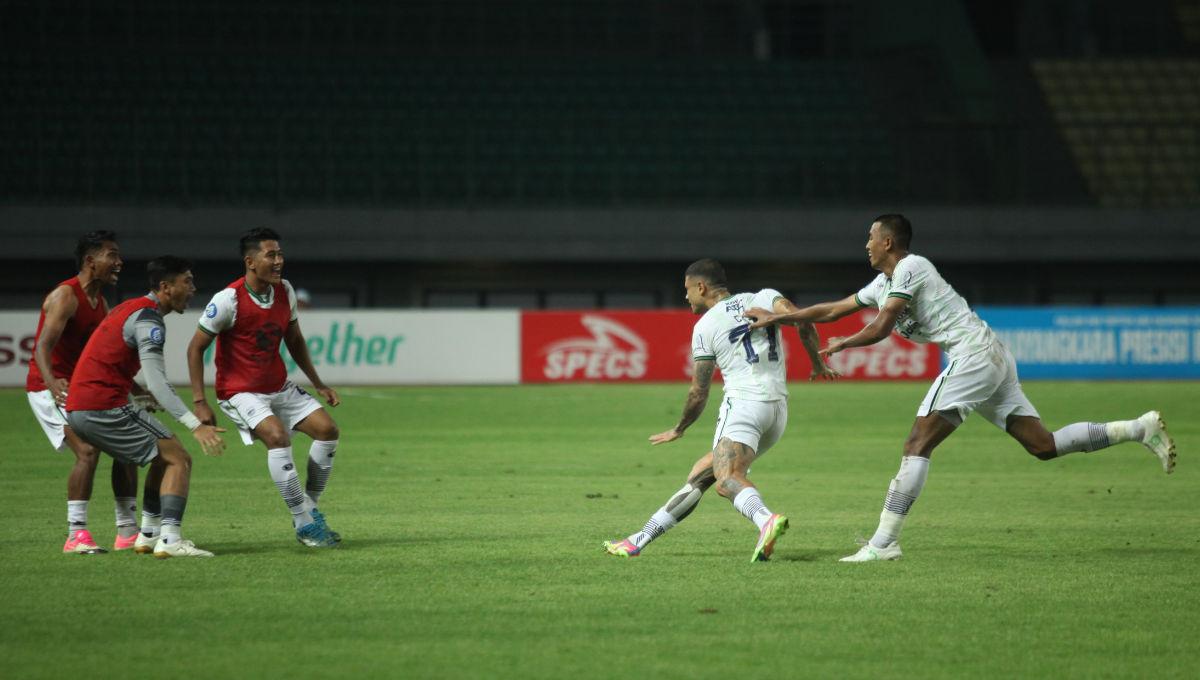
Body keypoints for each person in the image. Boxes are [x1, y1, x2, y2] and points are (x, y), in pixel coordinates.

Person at [747, 214, 1176, 562]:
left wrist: (844, 343)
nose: (866, 245)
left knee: (917, 442)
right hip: (989, 356)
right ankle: (1138, 428)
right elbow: (835, 308)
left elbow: (879, 328)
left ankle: (884, 542)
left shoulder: (912, 267)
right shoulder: (884, 282)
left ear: (890, 242)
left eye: (871, 238)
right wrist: (783, 318)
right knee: (1042, 445)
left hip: (972, 355)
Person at [603, 258, 839, 561]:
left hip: (743, 406)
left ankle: (765, 519)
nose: (686, 296)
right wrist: (818, 363)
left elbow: (699, 390)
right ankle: (638, 540)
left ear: (701, 286)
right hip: (777, 412)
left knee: (726, 480)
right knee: (701, 476)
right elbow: (804, 320)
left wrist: (680, 428)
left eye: (687, 289)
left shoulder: (705, 325)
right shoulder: (763, 297)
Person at [187, 228, 342, 548]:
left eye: (280, 254)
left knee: (328, 430)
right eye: (271, 255)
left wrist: (318, 383)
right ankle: (303, 522)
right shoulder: (227, 299)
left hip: (278, 385)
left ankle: (310, 506)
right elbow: (195, 348)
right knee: (276, 436)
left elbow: (295, 340)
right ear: (250, 261)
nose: (278, 261)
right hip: (239, 390)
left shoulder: (285, 291)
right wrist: (200, 400)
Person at [65, 256, 226, 558]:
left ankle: (149, 535)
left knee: (162, 457)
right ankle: (171, 539)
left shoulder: (130, 307)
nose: (193, 289)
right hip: (102, 406)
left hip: (81, 408)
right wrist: (196, 425)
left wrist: (136, 394)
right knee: (180, 458)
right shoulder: (149, 319)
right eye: (187, 281)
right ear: (166, 287)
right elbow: (157, 381)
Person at [26, 230, 143, 554]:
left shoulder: (100, 301)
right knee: (88, 451)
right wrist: (52, 383)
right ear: (91, 261)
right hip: (49, 387)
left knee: (125, 449)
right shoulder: (67, 296)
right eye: (112, 255)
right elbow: (42, 349)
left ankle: (127, 532)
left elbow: (101, 354)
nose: (119, 262)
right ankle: (75, 534)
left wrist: (135, 387)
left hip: (80, 387)